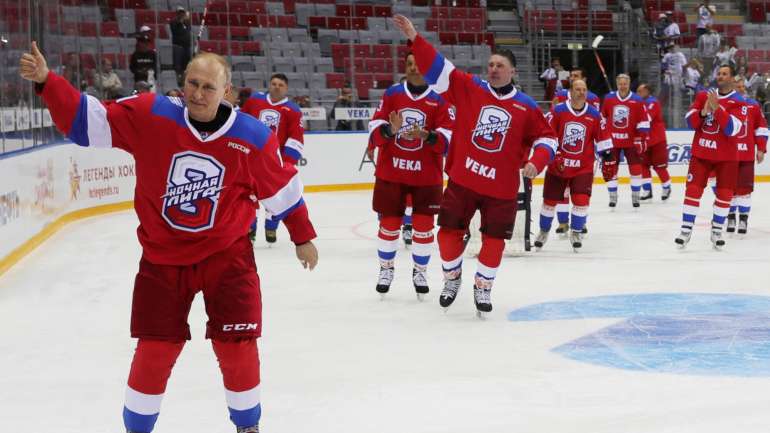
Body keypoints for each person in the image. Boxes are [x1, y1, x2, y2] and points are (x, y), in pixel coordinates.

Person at [19, 42, 319, 433]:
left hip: (227, 256)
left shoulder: (252, 136)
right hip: (162, 257)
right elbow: (88, 122)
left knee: (237, 345)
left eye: (208, 87)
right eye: (191, 83)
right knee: (155, 347)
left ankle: (248, 426)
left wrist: (302, 236)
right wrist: (47, 81)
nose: (197, 93)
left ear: (226, 92)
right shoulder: (152, 113)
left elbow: (281, 188)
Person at [392, 15, 557, 316]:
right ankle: (452, 277)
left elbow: (549, 139)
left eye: (500, 66)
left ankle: (483, 285)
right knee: (446, 235)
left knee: (494, 242)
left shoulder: (527, 106)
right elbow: (440, 70)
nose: (493, 69)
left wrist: (536, 161)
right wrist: (415, 38)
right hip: (463, 180)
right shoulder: (470, 88)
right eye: (491, 65)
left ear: (512, 72)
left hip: (502, 189)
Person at [365, 52, 453, 299]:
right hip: (392, 172)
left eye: (419, 63)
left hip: (426, 177)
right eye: (410, 64)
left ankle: (420, 271)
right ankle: (386, 269)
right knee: (389, 225)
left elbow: (448, 142)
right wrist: (390, 130)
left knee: (424, 228)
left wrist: (427, 136)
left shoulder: (440, 100)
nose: (414, 68)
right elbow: (374, 132)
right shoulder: (393, 94)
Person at [534, 79, 612, 252]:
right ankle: (544, 231)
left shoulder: (594, 114)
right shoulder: (558, 111)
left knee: (581, 200)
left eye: (584, 89)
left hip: (582, 167)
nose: (581, 92)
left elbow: (602, 137)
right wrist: (555, 154)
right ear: (570, 92)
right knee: (549, 202)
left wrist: (607, 156)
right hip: (558, 166)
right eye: (578, 89)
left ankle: (576, 232)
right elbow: (547, 134)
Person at [677, 64, 745, 249]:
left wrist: (717, 109)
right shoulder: (703, 96)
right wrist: (704, 111)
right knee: (692, 191)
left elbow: (733, 129)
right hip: (701, 154)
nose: (721, 76)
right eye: (719, 73)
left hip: (727, 157)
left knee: (724, 195)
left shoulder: (739, 101)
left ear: (732, 78)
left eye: (725, 74)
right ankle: (686, 229)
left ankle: (716, 231)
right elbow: (690, 122)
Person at [241, 73, 305, 244]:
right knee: (248, 195)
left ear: (286, 89)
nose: (277, 87)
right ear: (269, 84)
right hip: (249, 158)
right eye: (274, 83)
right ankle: (249, 228)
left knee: (273, 195)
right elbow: (240, 122)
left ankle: (271, 225)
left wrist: (286, 163)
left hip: (274, 162)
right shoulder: (254, 101)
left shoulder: (293, 110)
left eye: (281, 85)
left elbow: (296, 138)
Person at [550, 66, 601, 235]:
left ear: (584, 78)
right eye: (571, 76)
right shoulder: (560, 95)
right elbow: (553, 118)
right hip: (564, 153)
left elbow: (597, 122)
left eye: (577, 75)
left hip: (584, 154)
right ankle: (563, 222)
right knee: (562, 191)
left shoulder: (593, 98)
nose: (573, 77)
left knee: (581, 193)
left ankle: (581, 221)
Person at [601, 73, 650, 208]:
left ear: (629, 84)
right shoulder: (609, 98)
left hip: (631, 141)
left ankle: (635, 196)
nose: (623, 86)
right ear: (617, 84)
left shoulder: (637, 100)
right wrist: (603, 138)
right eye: (620, 84)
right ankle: (612, 196)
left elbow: (644, 121)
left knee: (635, 169)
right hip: (612, 142)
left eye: (625, 84)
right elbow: (603, 119)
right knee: (610, 169)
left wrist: (641, 139)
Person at [727, 76, 768, 234]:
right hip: (727, 154)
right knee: (728, 188)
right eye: (738, 86)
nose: (742, 89)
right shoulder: (725, 104)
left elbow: (761, 128)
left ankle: (743, 219)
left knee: (744, 189)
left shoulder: (753, 105)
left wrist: (761, 148)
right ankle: (730, 217)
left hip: (745, 154)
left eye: (743, 86)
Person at [636, 83, 672, 201]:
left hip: (657, 140)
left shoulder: (653, 102)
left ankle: (666, 187)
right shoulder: (638, 104)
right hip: (644, 140)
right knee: (643, 166)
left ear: (647, 91)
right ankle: (647, 191)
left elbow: (647, 118)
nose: (638, 93)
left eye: (640, 91)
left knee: (660, 167)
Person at [170, 6, 192, 85]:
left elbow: (188, 31)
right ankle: (178, 81)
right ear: (177, 13)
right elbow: (175, 31)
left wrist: (185, 21)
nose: (181, 14)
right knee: (178, 65)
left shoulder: (186, 23)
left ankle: (184, 80)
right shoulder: (174, 22)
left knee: (186, 65)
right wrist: (180, 21)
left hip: (187, 46)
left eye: (183, 13)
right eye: (180, 13)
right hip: (178, 46)